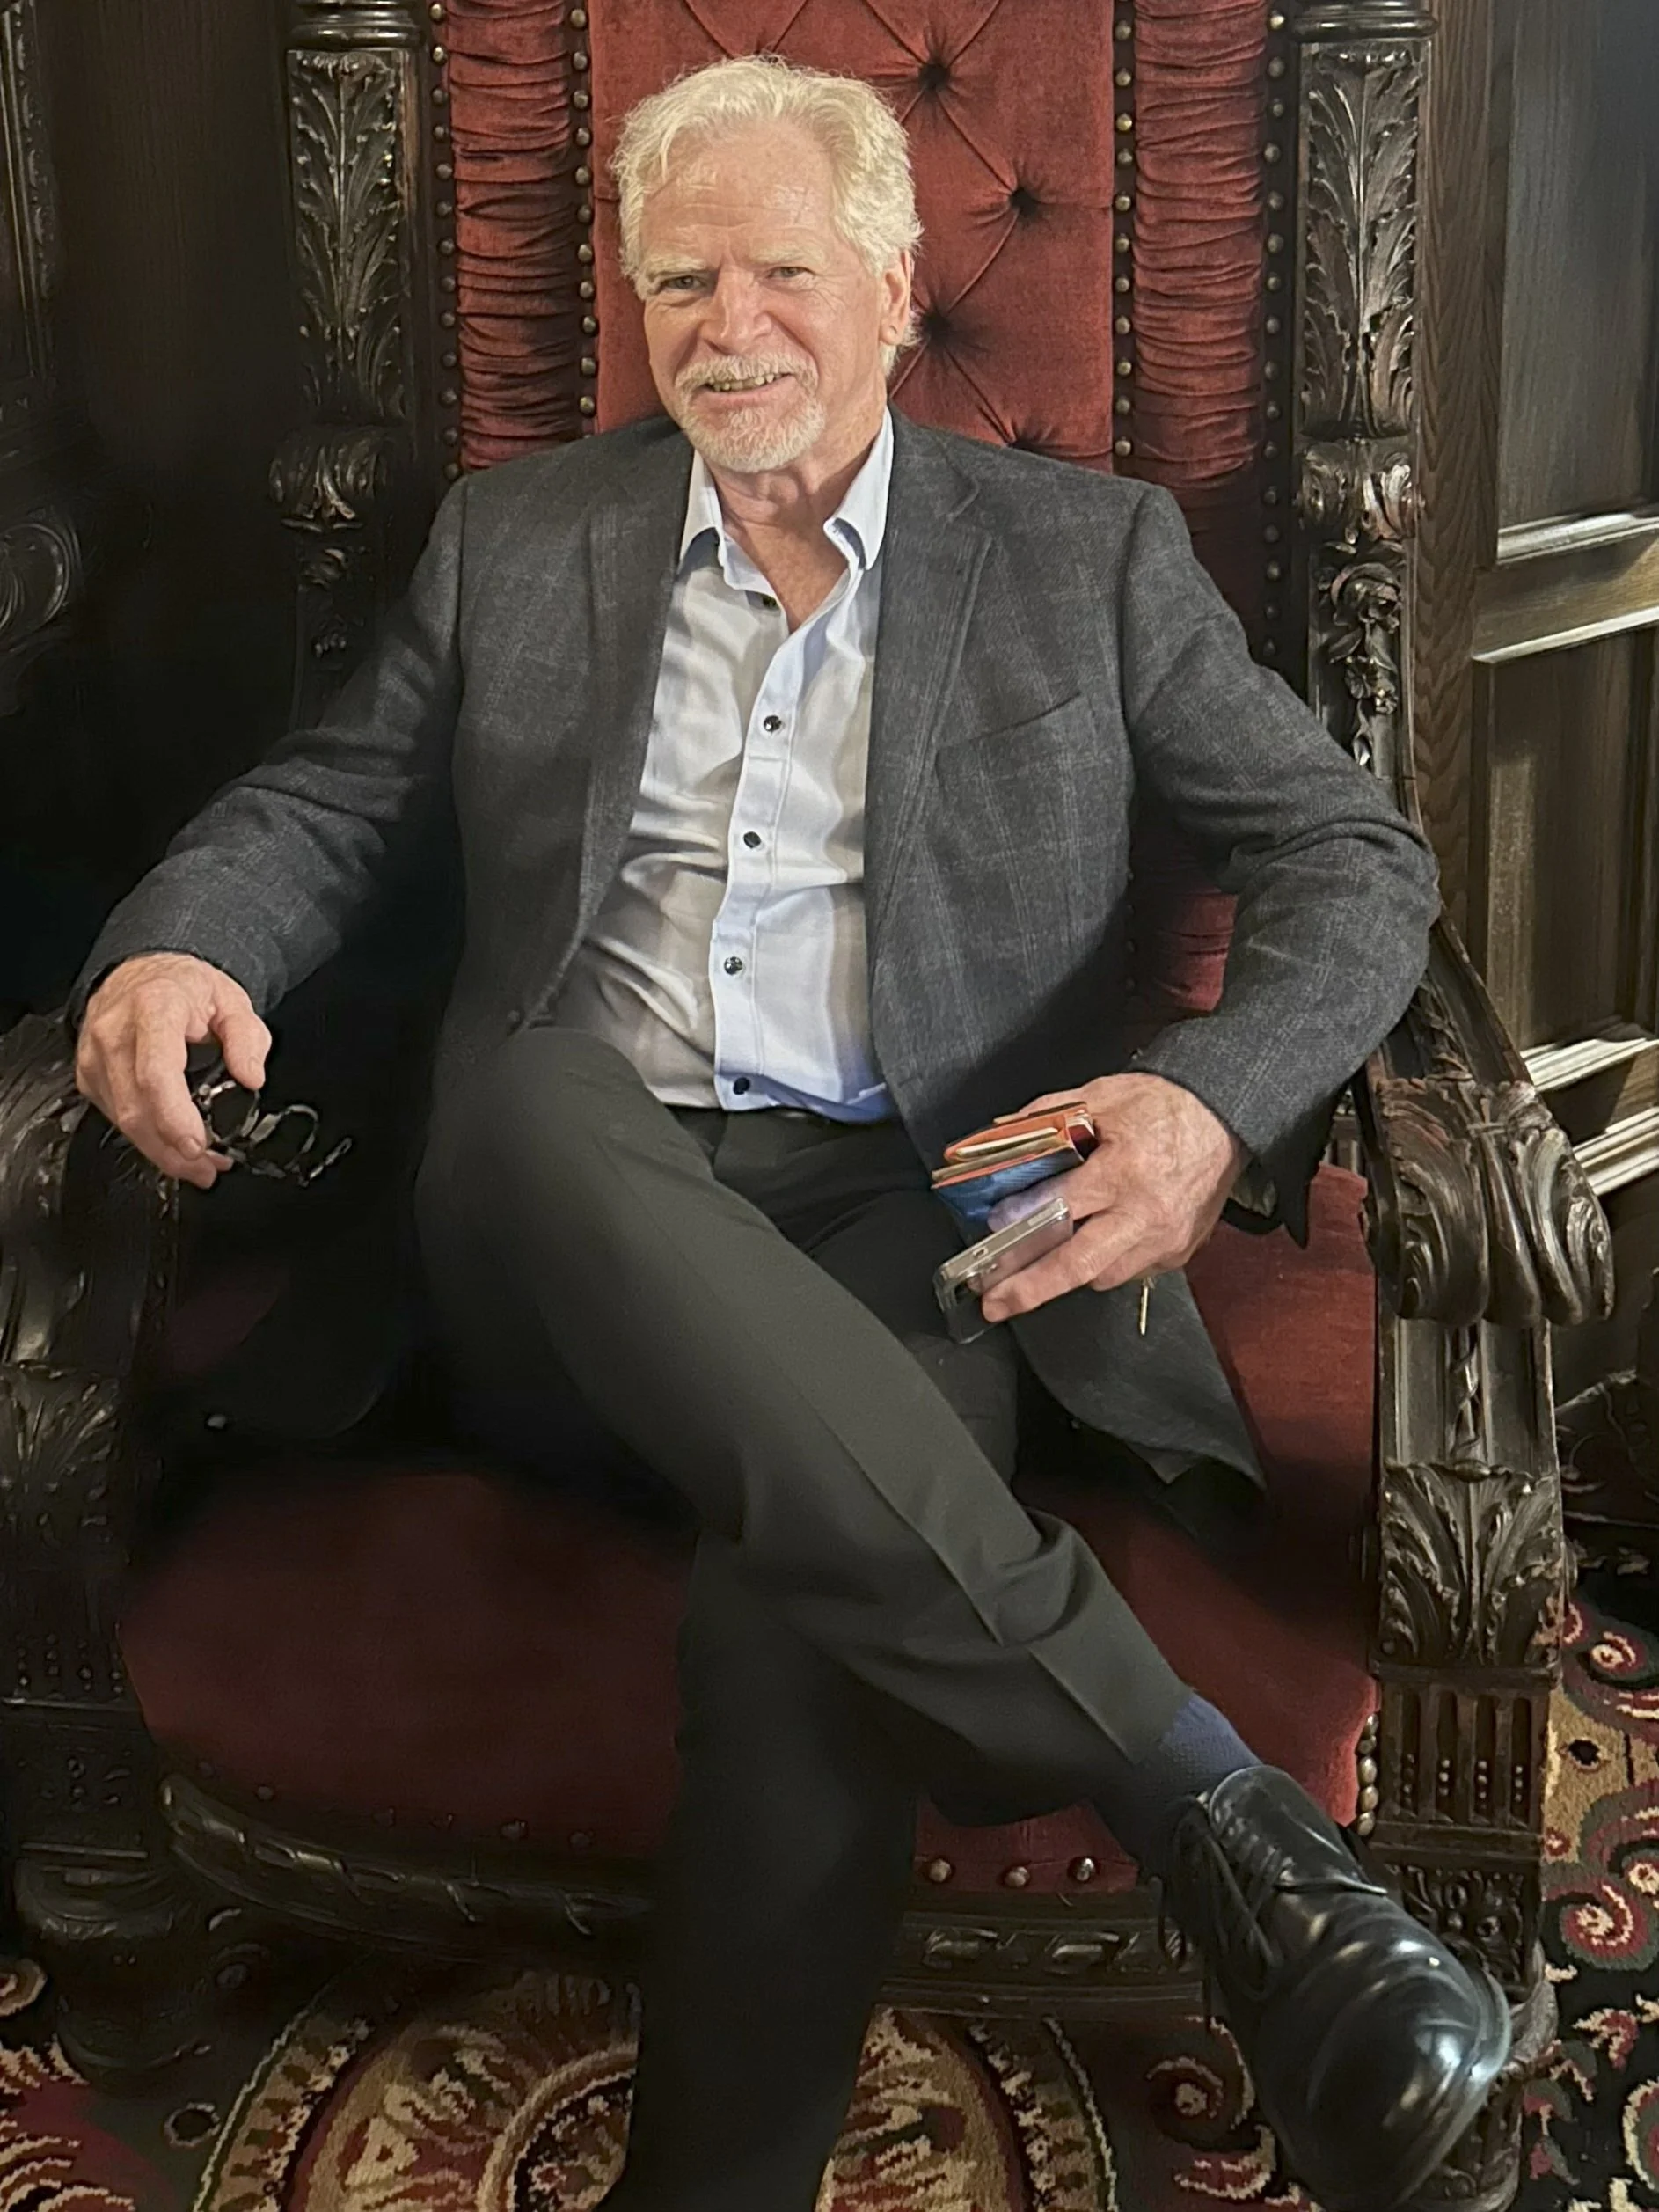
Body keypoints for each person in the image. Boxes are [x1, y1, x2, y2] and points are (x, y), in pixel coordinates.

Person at [71, 54, 1508, 2212]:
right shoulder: (520, 534)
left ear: (891, 268)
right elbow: (330, 800)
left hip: (918, 1218)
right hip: (562, 1229)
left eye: (775, 272)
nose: (724, 325)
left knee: (803, 1595)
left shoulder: (1085, 555)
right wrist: (181, 945)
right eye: (677, 282)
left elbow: (1348, 858)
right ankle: (1218, 1823)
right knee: (539, 1085)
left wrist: (1214, 1106)